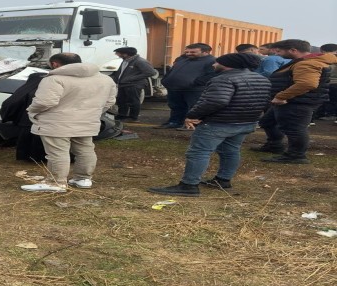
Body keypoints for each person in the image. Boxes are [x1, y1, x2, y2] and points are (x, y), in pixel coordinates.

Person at [148, 53, 270, 197]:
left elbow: (215, 101)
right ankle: (223, 180)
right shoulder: (261, 79)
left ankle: (189, 185)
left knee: (199, 152)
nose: (213, 64)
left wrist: (193, 115)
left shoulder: (223, 79)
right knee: (231, 151)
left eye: (217, 62)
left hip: (219, 123)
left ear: (228, 65)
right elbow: (265, 101)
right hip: (246, 122)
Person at [22, 53, 116, 192]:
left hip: (56, 122)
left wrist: (31, 110)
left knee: (57, 153)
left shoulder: (54, 79)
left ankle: (56, 183)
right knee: (85, 150)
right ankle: (83, 179)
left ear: (54, 64)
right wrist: (93, 112)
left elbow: (45, 102)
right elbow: (109, 101)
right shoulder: (106, 79)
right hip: (87, 121)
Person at [254, 39, 337, 164]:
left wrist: (281, 96)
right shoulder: (304, 61)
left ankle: (296, 155)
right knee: (267, 122)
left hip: (297, 101)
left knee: (294, 129)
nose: (277, 54)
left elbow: (307, 83)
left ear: (293, 50)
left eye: (279, 51)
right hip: (291, 100)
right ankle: (274, 145)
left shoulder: (307, 64)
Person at [156, 43, 216, 130]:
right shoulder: (183, 59)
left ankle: (192, 125)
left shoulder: (212, 61)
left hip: (194, 90)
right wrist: (165, 80)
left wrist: (194, 83)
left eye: (193, 52)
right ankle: (175, 122)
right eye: (187, 52)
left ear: (205, 52)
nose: (188, 54)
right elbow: (172, 70)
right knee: (176, 107)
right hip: (175, 88)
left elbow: (212, 75)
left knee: (194, 107)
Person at [0, 72, 48, 162]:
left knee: (28, 140)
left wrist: (9, 116)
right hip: (49, 122)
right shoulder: (53, 90)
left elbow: (11, 103)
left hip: (27, 120)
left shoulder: (25, 89)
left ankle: (30, 158)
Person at [111, 47, 157, 122]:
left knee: (133, 101)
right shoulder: (125, 61)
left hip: (133, 84)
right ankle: (122, 115)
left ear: (125, 54)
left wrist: (132, 78)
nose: (117, 55)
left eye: (118, 53)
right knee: (121, 100)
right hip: (124, 84)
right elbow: (121, 72)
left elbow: (151, 72)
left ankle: (133, 117)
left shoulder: (140, 61)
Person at [312, 44, 337, 120]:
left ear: (323, 51)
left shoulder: (320, 59)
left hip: (324, 82)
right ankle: (330, 114)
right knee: (333, 100)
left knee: (324, 100)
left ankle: (324, 114)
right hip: (334, 83)